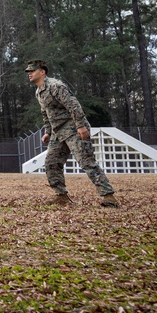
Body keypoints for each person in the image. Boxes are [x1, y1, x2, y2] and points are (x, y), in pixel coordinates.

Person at [26, 59, 119, 207]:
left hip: (73, 128)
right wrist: (48, 132)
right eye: (28, 72)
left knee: (86, 162)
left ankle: (109, 197)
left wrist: (81, 127)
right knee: (51, 163)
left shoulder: (56, 86)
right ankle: (61, 196)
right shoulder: (39, 92)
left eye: (32, 71)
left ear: (42, 72)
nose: (29, 73)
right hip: (58, 132)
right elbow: (46, 114)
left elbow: (74, 106)